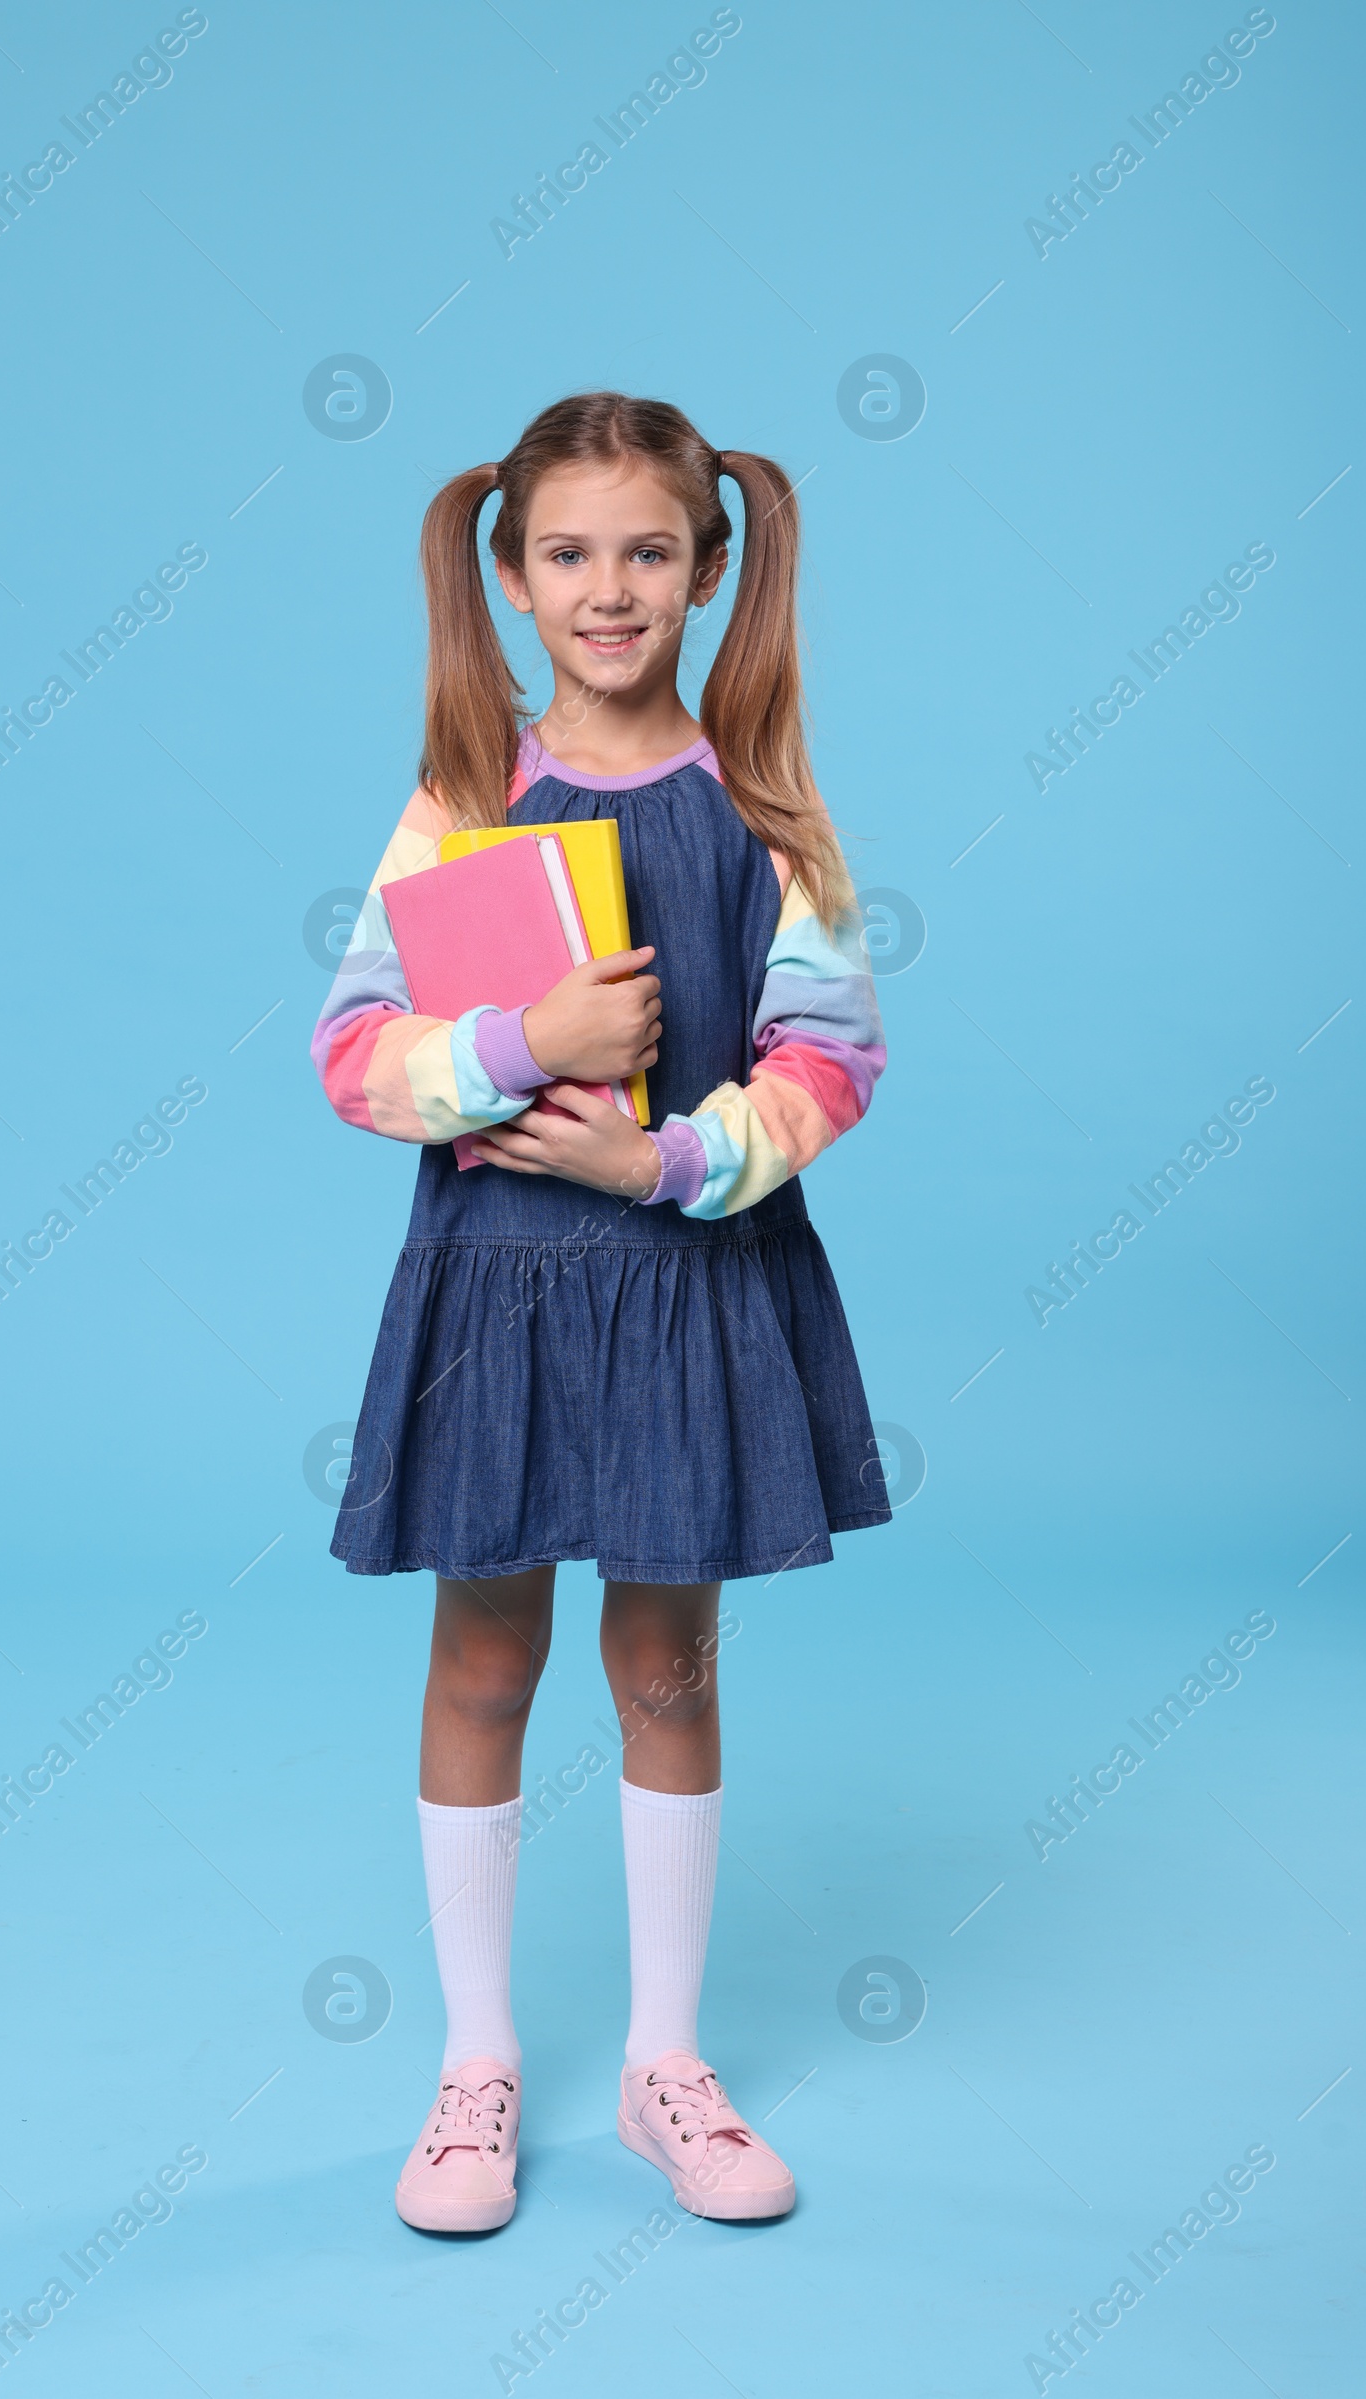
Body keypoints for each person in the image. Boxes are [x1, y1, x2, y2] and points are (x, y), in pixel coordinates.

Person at [311, 391, 889, 2233]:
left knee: (668, 1664)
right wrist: (519, 1051)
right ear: (512, 572)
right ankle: (474, 2063)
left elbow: (832, 1058)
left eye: (649, 550)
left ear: (708, 571)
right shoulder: (461, 804)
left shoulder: (770, 811)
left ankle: (662, 2064)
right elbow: (349, 1055)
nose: (610, 587)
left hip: (688, 1287)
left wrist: (655, 1166)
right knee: (486, 1658)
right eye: (570, 553)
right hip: (499, 1299)